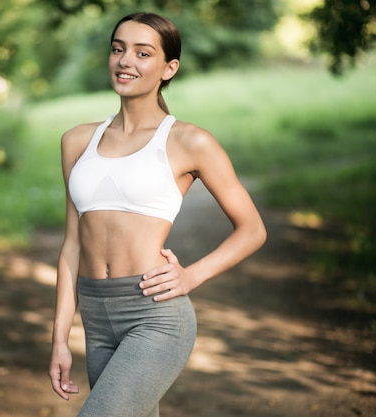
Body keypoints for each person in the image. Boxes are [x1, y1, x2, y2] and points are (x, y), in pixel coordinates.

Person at [48, 12, 267, 417]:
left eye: (142, 53)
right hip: (96, 317)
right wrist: (60, 337)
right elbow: (71, 246)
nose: (125, 61)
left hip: (155, 317)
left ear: (169, 68)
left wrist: (192, 275)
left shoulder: (189, 141)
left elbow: (252, 229)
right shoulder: (76, 141)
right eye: (118, 49)